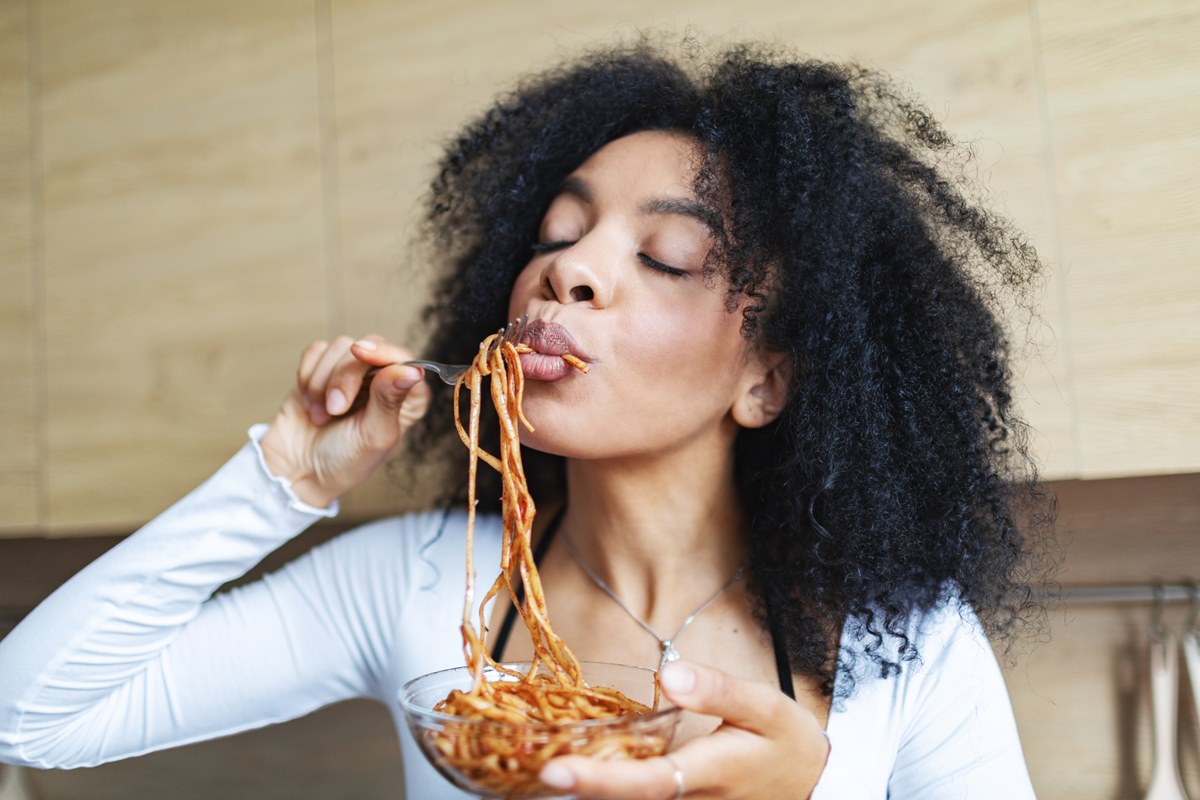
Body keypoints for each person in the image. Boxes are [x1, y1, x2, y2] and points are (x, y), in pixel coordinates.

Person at [0, 40, 1052, 798]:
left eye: (667, 256)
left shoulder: (904, 639)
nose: (569, 270)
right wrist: (286, 475)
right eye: (558, 232)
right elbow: (30, 713)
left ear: (767, 380)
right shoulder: (419, 585)